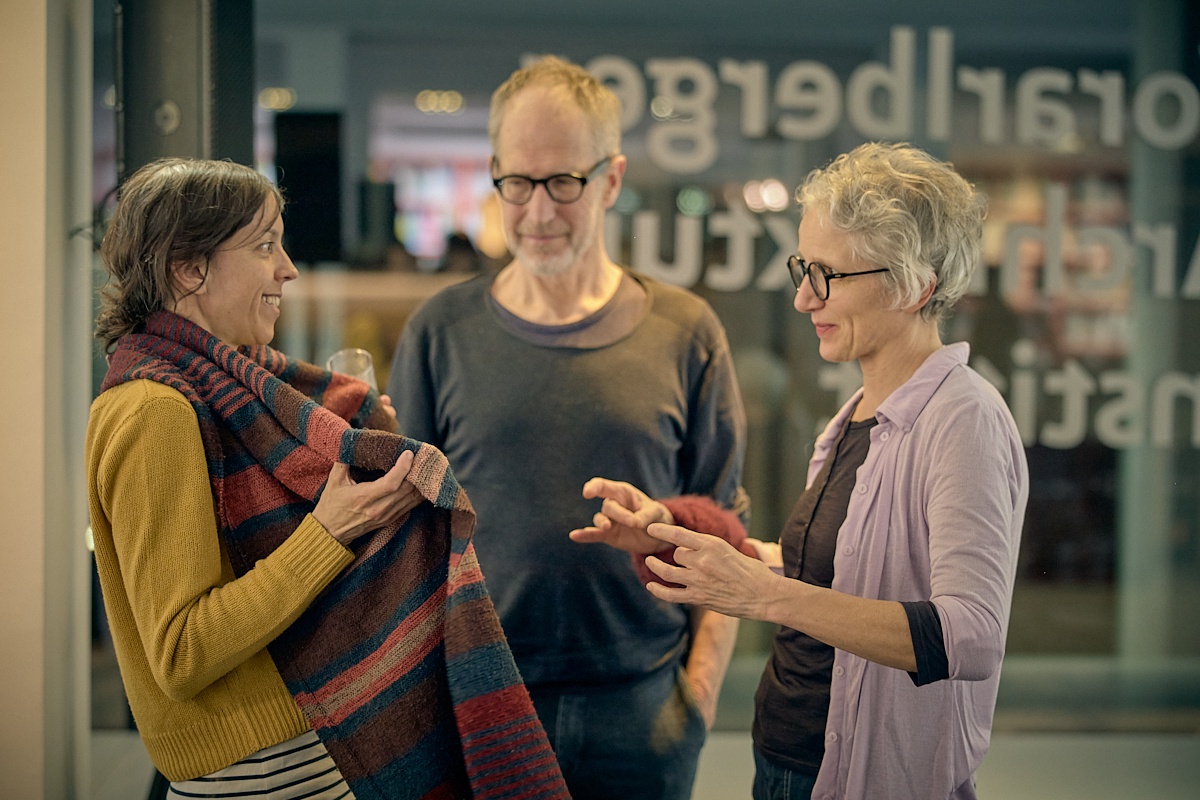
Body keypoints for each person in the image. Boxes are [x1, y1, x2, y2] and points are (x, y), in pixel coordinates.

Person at [87, 157, 568, 800]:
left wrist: (357, 445)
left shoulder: (219, 388)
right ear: (188, 267)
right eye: (264, 246)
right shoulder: (157, 411)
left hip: (297, 755)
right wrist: (330, 531)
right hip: (258, 775)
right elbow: (181, 652)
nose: (287, 268)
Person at [572, 142, 1029, 800]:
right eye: (802, 269)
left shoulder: (964, 419)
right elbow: (824, 576)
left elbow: (971, 636)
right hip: (792, 764)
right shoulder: (854, 415)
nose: (803, 298)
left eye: (828, 275)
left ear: (914, 285)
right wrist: (671, 535)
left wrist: (764, 597)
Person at [387, 55, 749, 800]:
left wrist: (698, 699)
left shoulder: (686, 332)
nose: (538, 211)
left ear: (611, 180)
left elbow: (727, 533)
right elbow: (404, 535)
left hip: (642, 706)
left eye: (563, 182)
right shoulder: (440, 332)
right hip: (479, 698)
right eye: (517, 183)